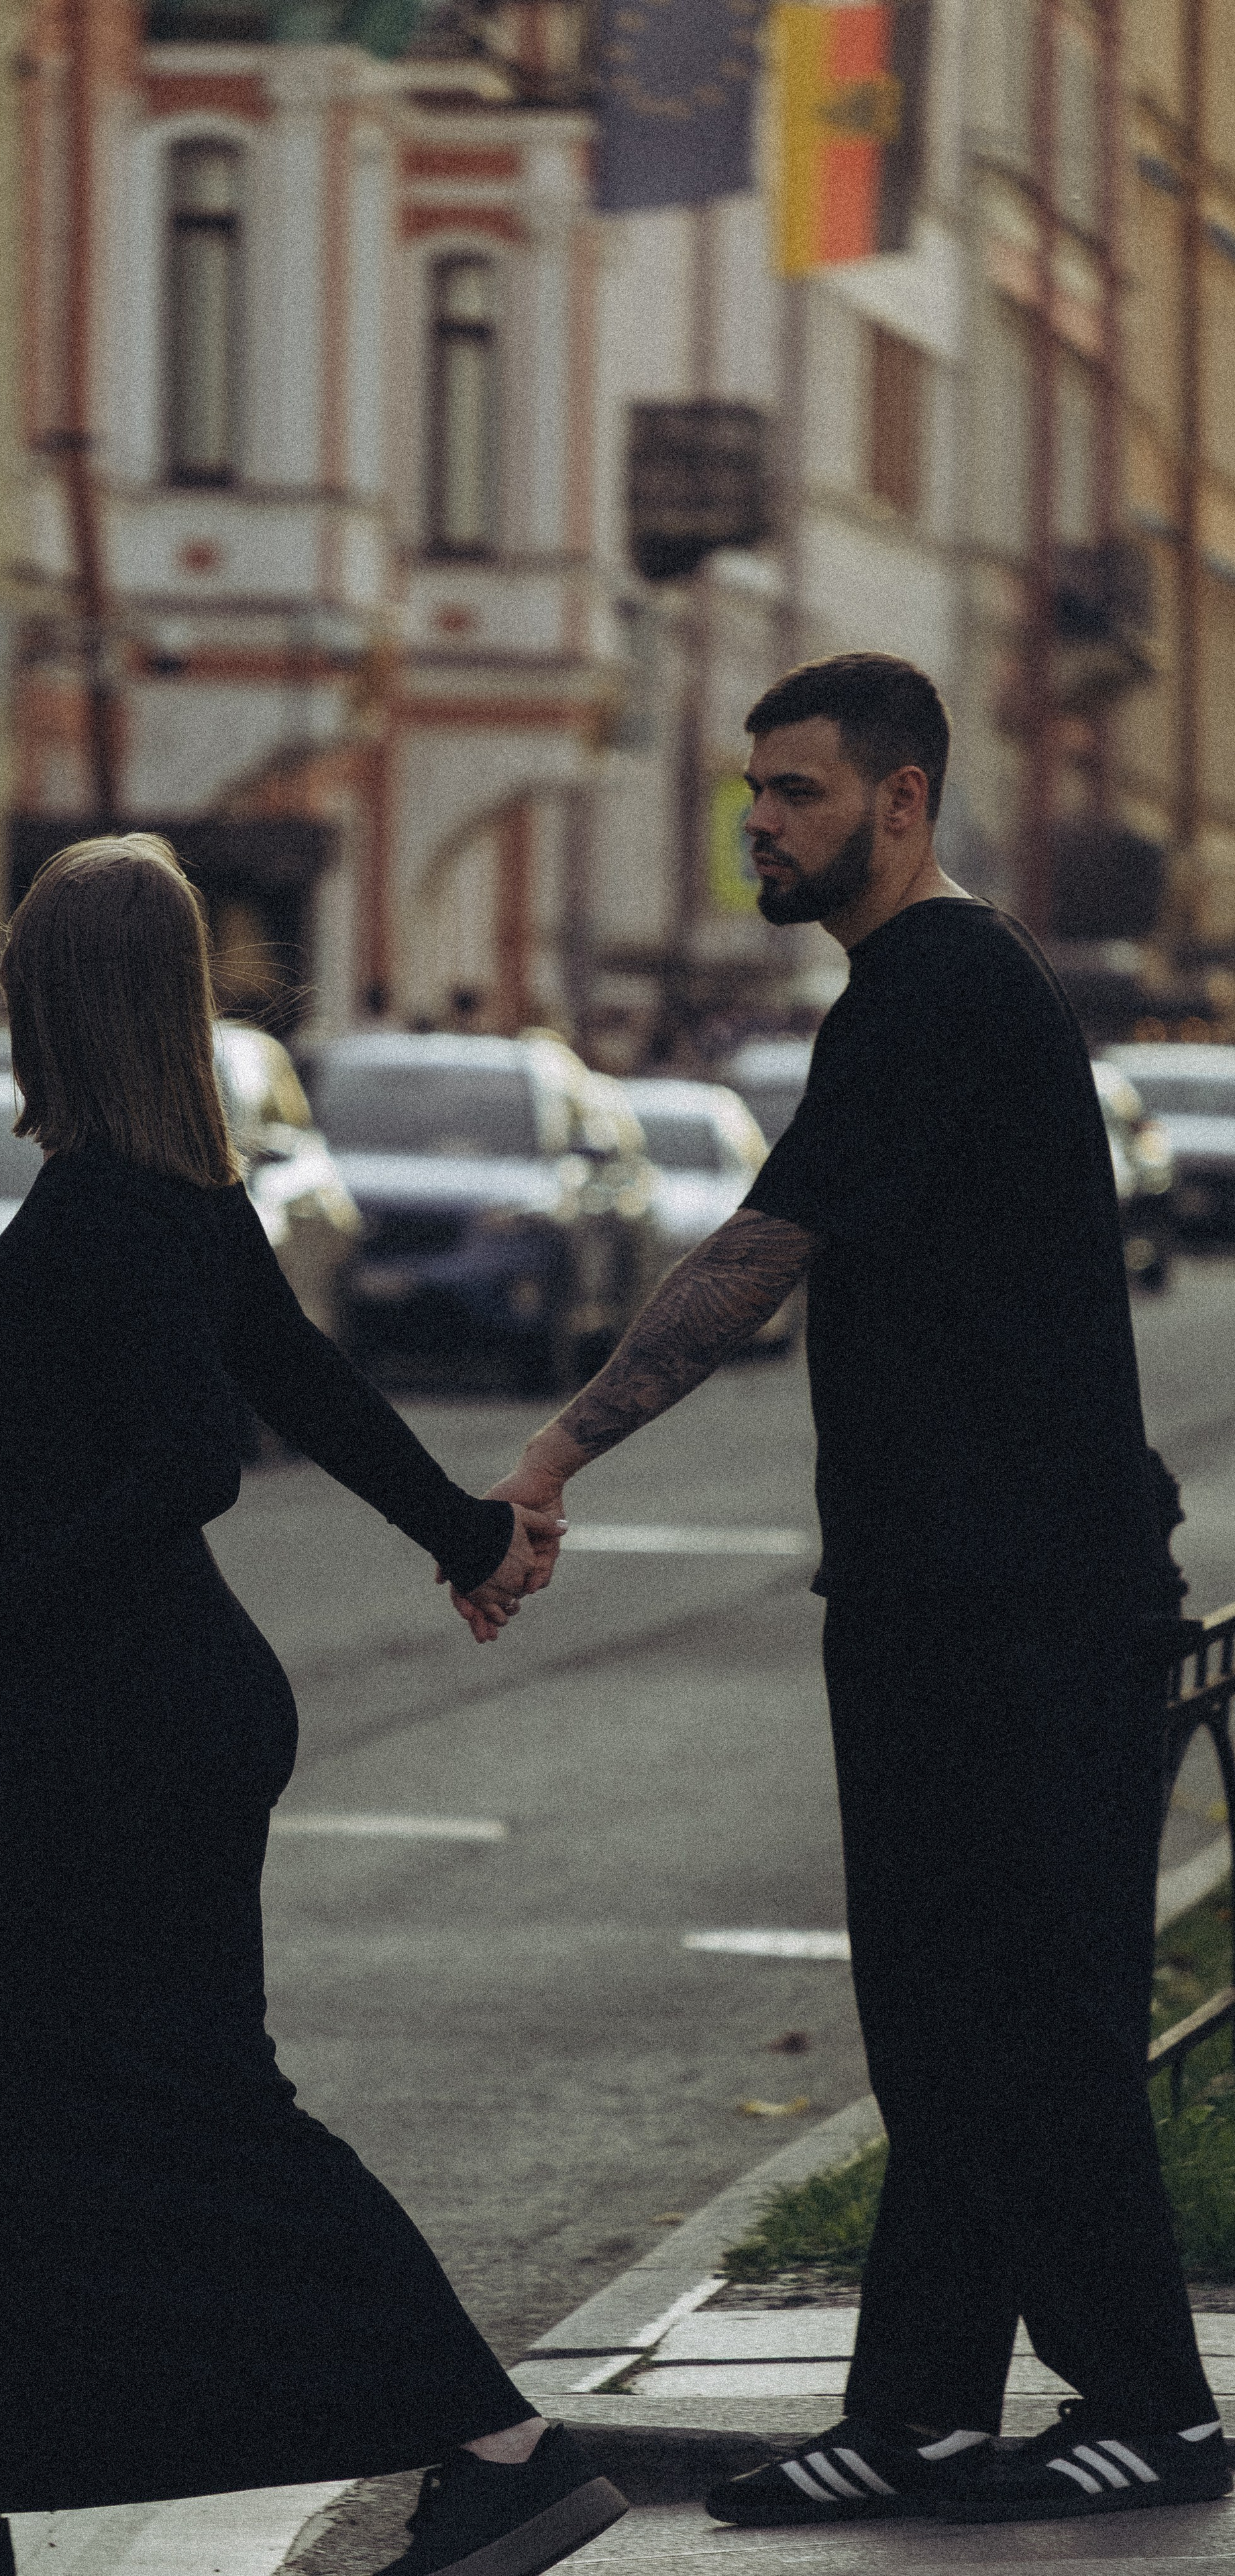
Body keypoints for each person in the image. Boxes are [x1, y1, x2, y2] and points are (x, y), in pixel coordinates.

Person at [0, 837, 628, 2576]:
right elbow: (310, 1382)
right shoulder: (169, 1197)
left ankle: (501, 2449)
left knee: (123, 2099)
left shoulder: (113, 1211)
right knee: (83, 2097)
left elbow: (188, 1460)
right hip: (139, 1716)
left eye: (20, 977)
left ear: (51, 1002)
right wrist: (465, 1535)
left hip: (119, 1722)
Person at [461, 656, 1230, 2527]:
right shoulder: (912, 1000)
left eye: (797, 794)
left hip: (1022, 1617)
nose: (760, 824)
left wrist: (556, 1452)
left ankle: (1151, 2405)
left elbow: (754, 1257)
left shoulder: (942, 994)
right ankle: (919, 2416)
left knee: (1029, 2020)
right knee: (948, 2026)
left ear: (902, 803)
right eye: (756, 792)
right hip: (946, 1608)